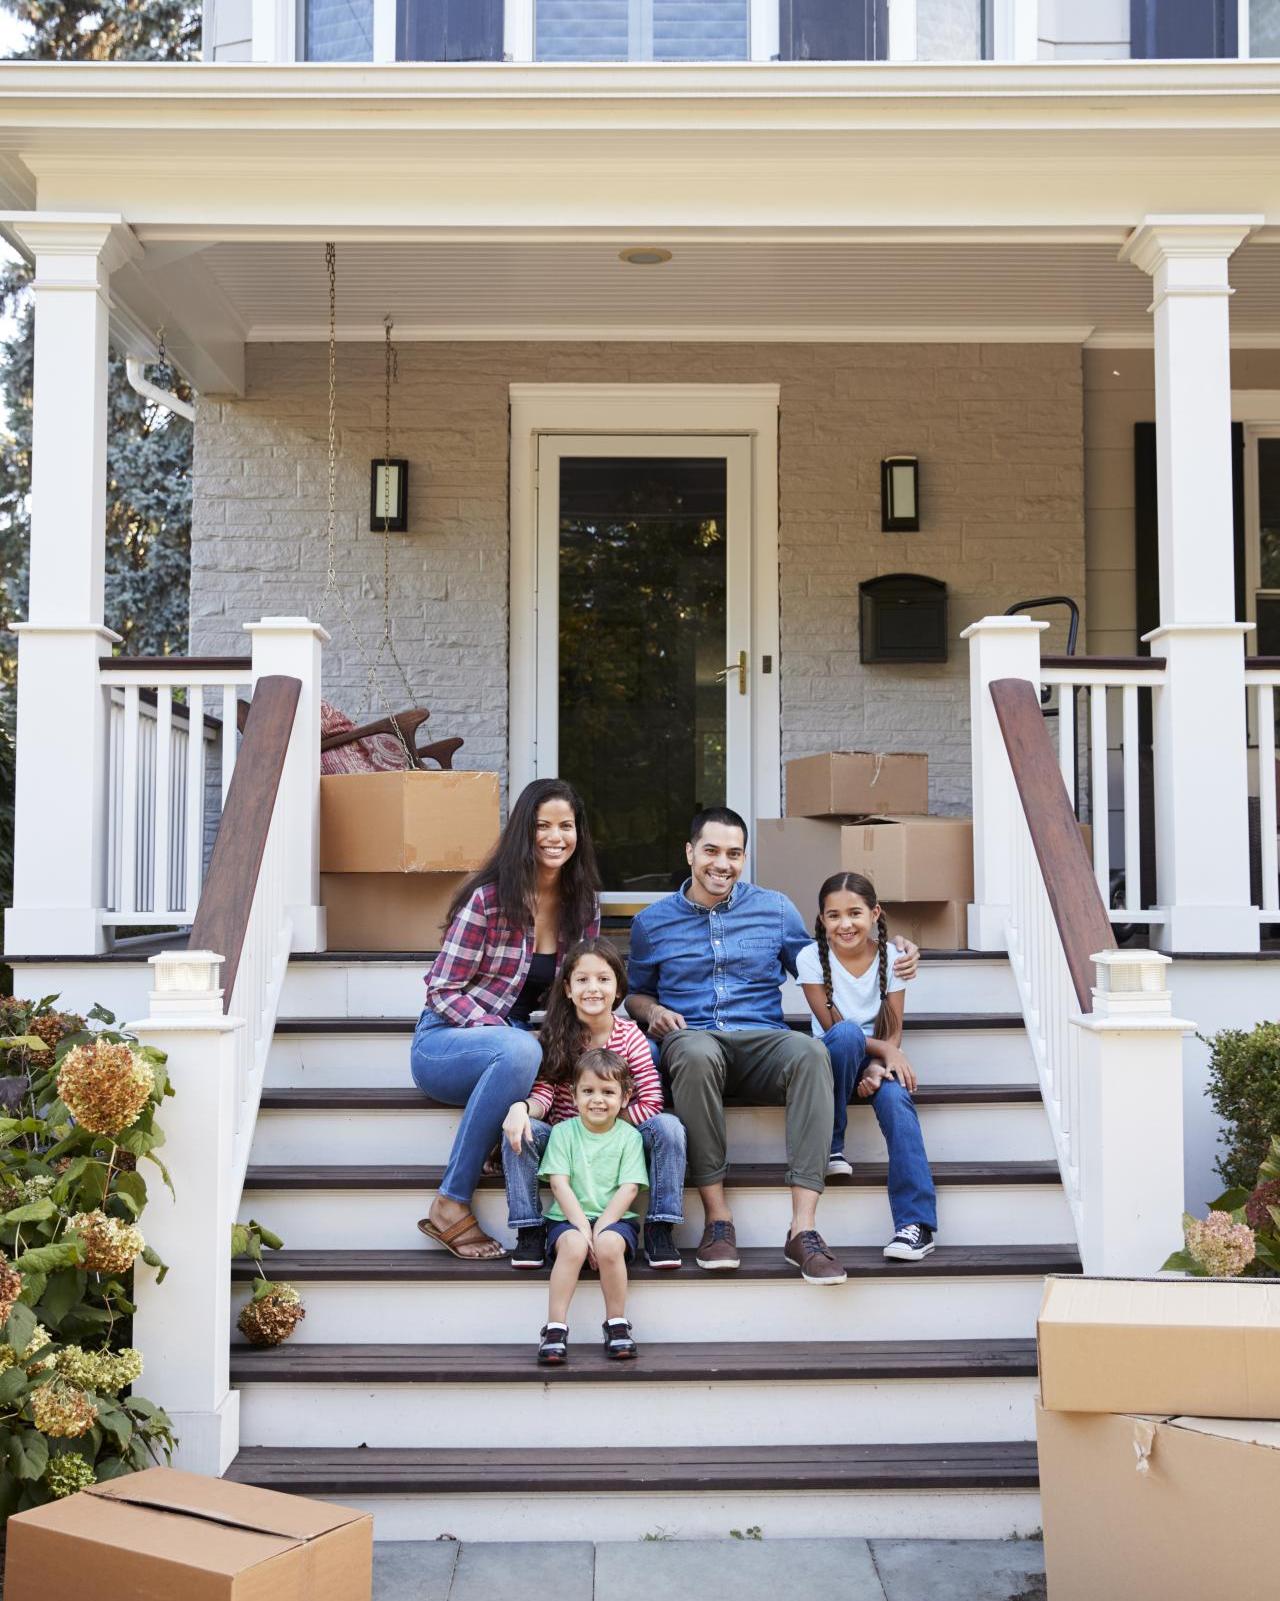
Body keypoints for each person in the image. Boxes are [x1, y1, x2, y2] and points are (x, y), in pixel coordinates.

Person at [626, 808, 919, 1285]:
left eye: (734, 854)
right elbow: (635, 992)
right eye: (712, 851)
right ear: (689, 852)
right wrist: (652, 1012)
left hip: (763, 1038)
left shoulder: (776, 909)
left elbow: (828, 958)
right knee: (696, 1053)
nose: (723, 863)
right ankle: (718, 1220)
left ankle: (803, 1230)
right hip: (694, 1038)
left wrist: (894, 947)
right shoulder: (651, 922)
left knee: (808, 1052)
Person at [411, 778, 601, 1261]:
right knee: (520, 1048)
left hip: (519, 1048)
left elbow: (579, 988)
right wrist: (508, 1033)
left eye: (566, 825)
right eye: (543, 826)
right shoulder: (489, 901)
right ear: (524, 832)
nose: (555, 836)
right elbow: (442, 989)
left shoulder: (584, 906)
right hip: (449, 1041)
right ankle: (450, 1202)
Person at [501, 937, 687, 1271]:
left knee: (669, 1128)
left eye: (603, 979)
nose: (593, 988)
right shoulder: (556, 1034)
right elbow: (545, 1093)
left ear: (618, 990)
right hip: (565, 1141)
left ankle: (660, 1227)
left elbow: (652, 1101)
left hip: (621, 1139)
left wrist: (605, 1128)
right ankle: (529, 1229)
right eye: (582, 980)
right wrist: (522, 1108)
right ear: (568, 989)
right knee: (522, 1131)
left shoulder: (630, 1037)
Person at [797, 870, 939, 1262]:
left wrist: (880, 1064)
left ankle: (916, 1224)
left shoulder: (893, 958)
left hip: (876, 1058)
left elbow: (892, 1028)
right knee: (844, 1035)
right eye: (834, 915)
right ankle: (833, 1144)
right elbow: (832, 1029)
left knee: (897, 1103)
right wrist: (884, 1056)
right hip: (833, 1059)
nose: (845, 924)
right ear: (822, 919)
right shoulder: (811, 958)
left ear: (875, 913)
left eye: (855, 913)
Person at [536, 1048, 649, 1366]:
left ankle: (616, 1323)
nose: (597, 1099)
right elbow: (558, 1184)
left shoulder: (629, 1137)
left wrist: (600, 1228)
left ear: (625, 1097)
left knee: (610, 1243)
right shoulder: (563, 1133)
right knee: (572, 1244)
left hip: (614, 1219)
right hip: (568, 1218)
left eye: (608, 1092)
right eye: (588, 1091)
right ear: (573, 1095)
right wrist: (584, 1229)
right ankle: (555, 1328)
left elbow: (629, 1188)